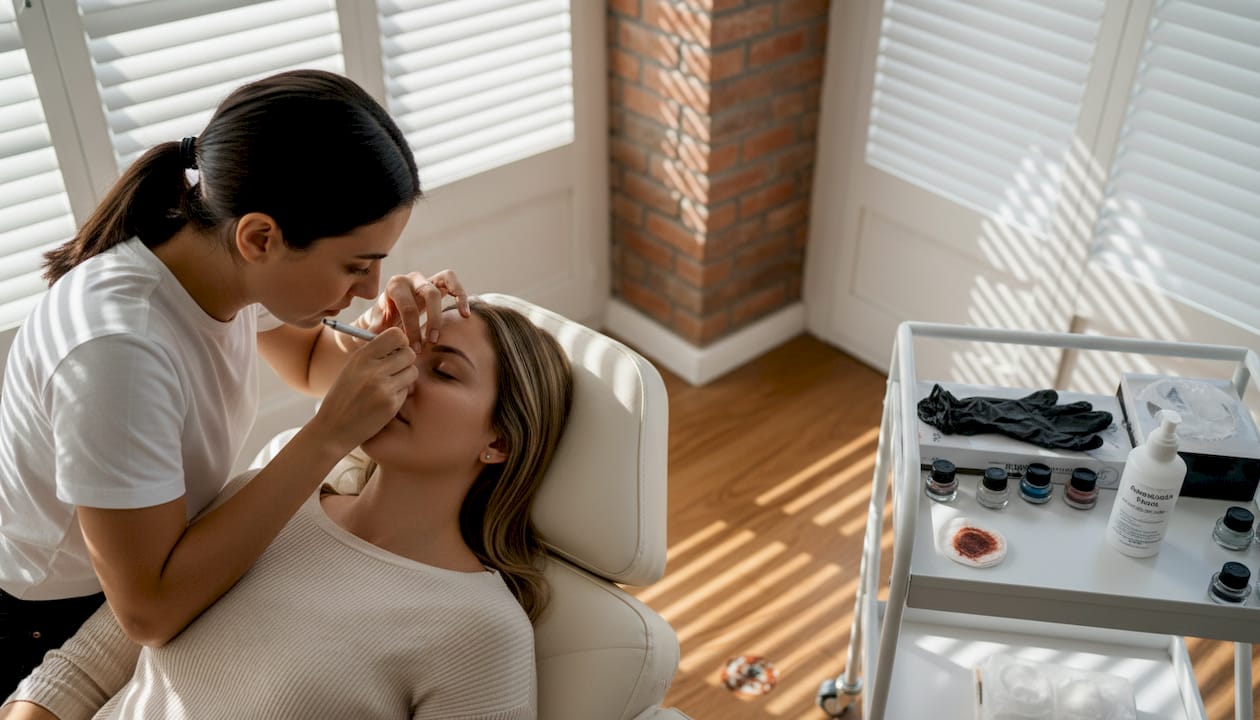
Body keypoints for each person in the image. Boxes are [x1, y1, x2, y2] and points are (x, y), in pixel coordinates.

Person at [0, 68, 473, 692]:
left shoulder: (208, 257)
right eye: (356, 266)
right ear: (260, 237)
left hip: (158, 570)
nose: (366, 287)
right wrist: (327, 436)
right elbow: (147, 612)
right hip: (60, 619)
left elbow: (309, 363)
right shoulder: (118, 352)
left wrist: (386, 333)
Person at [0, 299, 573, 720]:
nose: (394, 379)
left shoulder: (482, 632)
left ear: (498, 442)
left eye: (443, 370)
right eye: (394, 354)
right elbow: (79, 673)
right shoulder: (268, 501)